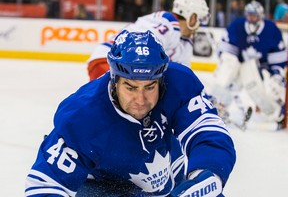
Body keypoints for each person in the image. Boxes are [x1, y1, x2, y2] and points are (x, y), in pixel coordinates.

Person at [25, 30, 236, 196]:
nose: (141, 100)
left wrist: (206, 173)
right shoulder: (82, 116)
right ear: (114, 80)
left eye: (150, 87)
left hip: (170, 173)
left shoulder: (178, 84)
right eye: (131, 87)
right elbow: (45, 185)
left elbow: (207, 130)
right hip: (105, 189)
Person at [87, 0, 210, 80]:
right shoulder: (167, 24)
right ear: (192, 17)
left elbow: (184, 79)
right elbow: (140, 53)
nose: (200, 25)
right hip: (108, 61)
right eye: (200, 19)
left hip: (114, 61)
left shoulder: (184, 41)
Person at [212, 0, 287, 130]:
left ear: (260, 16)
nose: (251, 18)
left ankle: (277, 114)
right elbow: (225, 53)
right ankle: (217, 107)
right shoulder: (237, 26)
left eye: (254, 15)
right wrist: (230, 67)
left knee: (268, 88)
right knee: (228, 69)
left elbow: (277, 57)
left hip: (260, 69)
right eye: (249, 15)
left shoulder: (271, 29)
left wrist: (276, 75)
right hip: (238, 66)